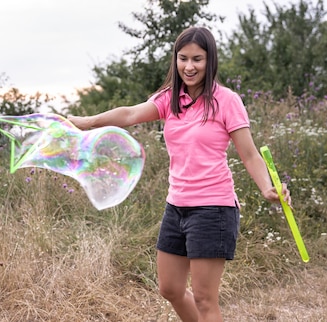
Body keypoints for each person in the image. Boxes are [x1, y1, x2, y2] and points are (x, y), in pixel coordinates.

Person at [68, 26, 290, 322]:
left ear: (210, 61)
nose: (189, 66)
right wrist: (89, 122)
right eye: (182, 58)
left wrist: (267, 188)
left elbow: (249, 154)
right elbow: (131, 114)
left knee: (204, 299)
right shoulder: (170, 99)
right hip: (177, 207)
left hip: (213, 208)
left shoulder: (226, 100)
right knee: (170, 288)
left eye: (197, 59)